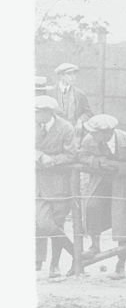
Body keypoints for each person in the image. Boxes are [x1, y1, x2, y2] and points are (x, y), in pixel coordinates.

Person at [80, 114, 126, 278]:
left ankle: (121, 265)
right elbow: (81, 155)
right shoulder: (89, 140)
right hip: (102, 181)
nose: (92, 135)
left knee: (125, 222)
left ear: (107, 132)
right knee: (92, 206)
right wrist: (98, 162)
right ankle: (95, 245)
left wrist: (118, 167)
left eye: (95, 132)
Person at [35, 95, 78, 276]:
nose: (35, 116)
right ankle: (77, 254)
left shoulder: (66, 128)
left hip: (60, 185)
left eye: (38, 112)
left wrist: (52, 160)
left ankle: (55, 265)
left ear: (48, 112)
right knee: (43, 223)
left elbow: (72, 155)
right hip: (37, 184)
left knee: (57, 224)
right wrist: (38, 155)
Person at [53, 63, 93, 133]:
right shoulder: (51, 92)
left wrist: (80, 121)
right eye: (69, 74)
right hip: (55, 132)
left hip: (73, 131)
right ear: (61, 76)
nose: (73, 77)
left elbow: (88, 113)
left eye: (74, 74)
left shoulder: (80, 94)